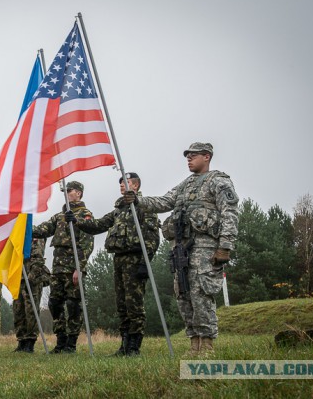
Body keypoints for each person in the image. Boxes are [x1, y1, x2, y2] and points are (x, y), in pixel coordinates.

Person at [135, 142, 239, 354]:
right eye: (187, 156)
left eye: (193, 156)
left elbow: (230, 213)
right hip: (182, 249)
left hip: (206, 247)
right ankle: (194, 343)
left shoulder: (218, 181)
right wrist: (137, 200)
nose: (189, 159)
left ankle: (207, 345)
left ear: (207, 156)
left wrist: (225, 246)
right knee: (183, 294)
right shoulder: (185, 184)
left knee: (202, 294)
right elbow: (165, 201)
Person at [71, 172, 160, 356]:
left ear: (135, 186)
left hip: (135, 260)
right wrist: (77, 222)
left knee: (134, 304)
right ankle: (124, 345)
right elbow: (98, 225)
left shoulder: (145, 207)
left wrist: (146, 263)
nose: (121, 185)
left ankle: (134, 347)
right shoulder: (118, 210)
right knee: (122, 304)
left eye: (125, 182)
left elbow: (152, 237)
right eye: (120, 182)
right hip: (119, 259)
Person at [33, 180, 94, 354]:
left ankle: (71, 344)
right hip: (58, 268)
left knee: (73, 304)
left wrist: (79, 268)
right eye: (66, 190)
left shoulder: (85, 214)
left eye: (70, 190)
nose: (67, 192)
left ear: (79, 193)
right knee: (54, 303)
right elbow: (43, 229)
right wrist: (25, 227)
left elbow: (87, 243)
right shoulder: (60, 216)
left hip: (72, 268)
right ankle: (61, 341)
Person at [12, 238, 50, 353]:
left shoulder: (35, 237)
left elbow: (38, 260)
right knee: (18, 310)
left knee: (31, 311)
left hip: (32, 280)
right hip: (18, 279)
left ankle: (30, 342)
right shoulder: (17, 237)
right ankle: (21, 341)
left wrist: (31, 278)